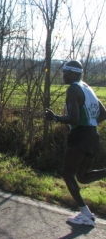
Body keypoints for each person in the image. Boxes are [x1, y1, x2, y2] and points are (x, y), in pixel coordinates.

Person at [45, 60, 106, 226]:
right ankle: (86, 214)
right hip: (93, 135)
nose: (63, 75)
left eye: (65, 72)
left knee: (67, 173)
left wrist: (55, 117)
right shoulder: (87, 87)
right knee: (83, 177)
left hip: (80, 135)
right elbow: (103, 113)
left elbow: (74, 118)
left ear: (71, 73)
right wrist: (91, 124)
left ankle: (85, 214)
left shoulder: (73, 89)